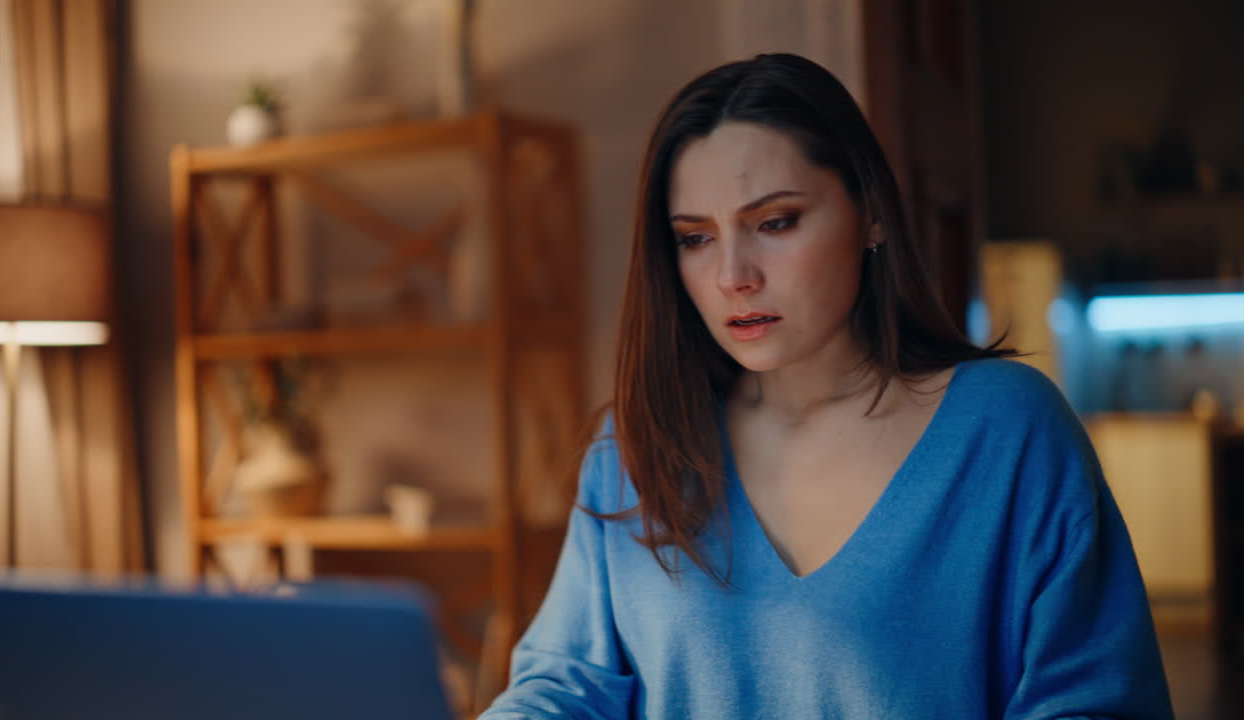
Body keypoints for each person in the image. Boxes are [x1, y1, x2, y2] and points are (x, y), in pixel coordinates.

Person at [479, 53, 1173, 719]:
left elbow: (1095, 703)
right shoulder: (634, 447)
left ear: (870, 211)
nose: (733, 276)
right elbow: (566, 685)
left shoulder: (1008, 430)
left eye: (775, 222)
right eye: (695, 238)